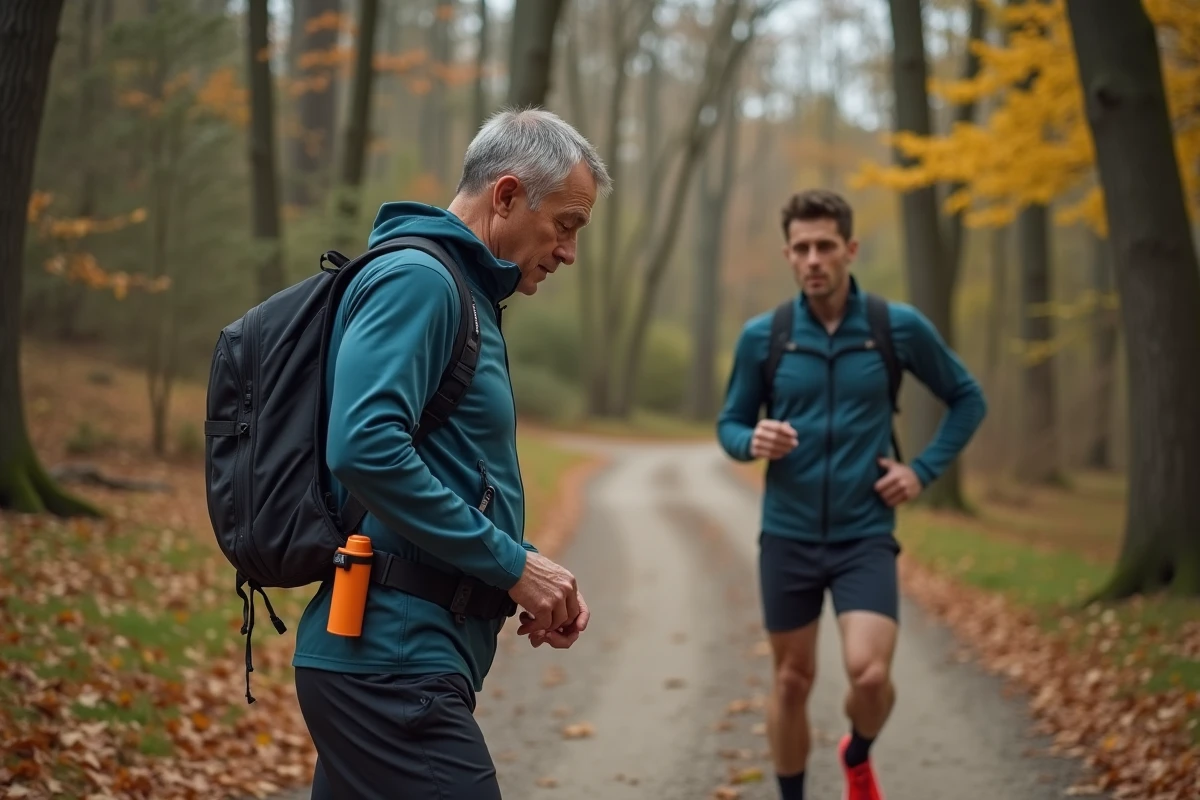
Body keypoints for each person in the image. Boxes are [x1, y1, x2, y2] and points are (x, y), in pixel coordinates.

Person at [291, 108, 611, 799]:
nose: (568, 251)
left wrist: (518, 579)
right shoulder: (421, 281)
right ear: (506, 196)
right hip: (391, 666)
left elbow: (449, 469)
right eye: (566, 224)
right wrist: (510, 563)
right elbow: (365, 445)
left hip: (392, 660)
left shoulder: (459, 291)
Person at [716, 189, 987, 800]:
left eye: (826, 246)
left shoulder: (896, 328)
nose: (814, 259)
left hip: (865, 533)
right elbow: (728, 425)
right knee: (791, 679)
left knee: (869, 677)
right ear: (788, 254)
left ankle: (856, 752)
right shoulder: (766, 337)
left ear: (850, 249)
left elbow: (968, 398)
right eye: (802, 248)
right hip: (786, 533)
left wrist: (921, 470)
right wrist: (750, 438)